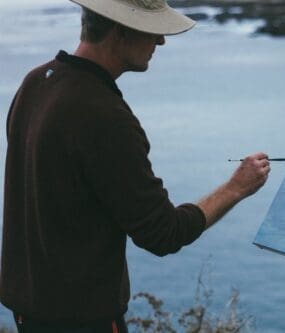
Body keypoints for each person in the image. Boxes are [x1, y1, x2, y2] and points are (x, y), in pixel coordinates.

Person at [0, 0, 270, 331]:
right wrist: (236, 188)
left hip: (30, 312)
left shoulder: (36, 82)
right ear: (122, 29)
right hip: (82, 320)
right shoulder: (104, 116)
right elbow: (164, 233)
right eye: (153, 29)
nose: (161, 41)